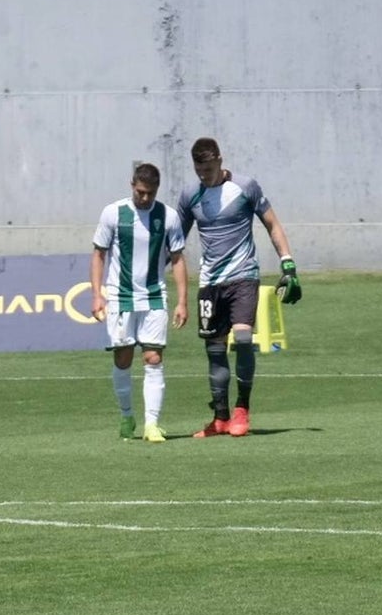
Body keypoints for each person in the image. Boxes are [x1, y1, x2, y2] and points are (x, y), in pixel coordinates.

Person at [176, 137, 302, 438]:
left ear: (220, 160)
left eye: (208, 169)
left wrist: (287, 263)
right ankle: (220, 417)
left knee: (244, 337)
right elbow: (175, 241)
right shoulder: (190, 194)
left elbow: (272, 224)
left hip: (244, 276)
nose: (204, 175)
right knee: (214, 349)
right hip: (210, 282)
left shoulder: (245, 186)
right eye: (198, 170)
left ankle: (242, 409)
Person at [90, 163, 189, 443]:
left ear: (157, 190)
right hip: (120, 298)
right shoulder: (113, 213)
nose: (145, 198)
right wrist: (97, 294)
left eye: (150, 193)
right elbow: (99, 254)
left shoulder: (168, 217)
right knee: (123, 358)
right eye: (140, 192)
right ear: (132, 185)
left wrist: (182, 301)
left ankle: (152, 424)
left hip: (154, 296)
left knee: (153, 358)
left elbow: (178, 259)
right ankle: (126, 415)